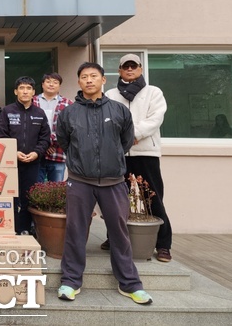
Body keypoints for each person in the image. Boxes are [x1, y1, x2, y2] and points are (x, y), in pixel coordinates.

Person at [56, 62, 153, 305]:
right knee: (75, 231)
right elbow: (64, 141)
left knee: (119, 233)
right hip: (79, 181)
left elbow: (125, 142)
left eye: (94, 76)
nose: (89, 80)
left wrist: (109, 160)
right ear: (78, 82)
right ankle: (70, 281)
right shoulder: (69, 113)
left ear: (103, 80)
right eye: (84, 77)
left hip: (113, 181)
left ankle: (130, 283)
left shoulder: (119, 111)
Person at [105, 53, 173, 263]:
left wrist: (134, 134)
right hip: (119, 153)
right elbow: (107, 120)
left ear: (141, 69)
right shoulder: (111, 94)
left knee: (153, 197)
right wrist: (123, 139)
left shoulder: (153, 92)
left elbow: (156, 118)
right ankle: (113, 238)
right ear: (120, 70)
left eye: (134, 66)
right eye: (126, 66)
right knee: (116, 199)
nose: (130, 69)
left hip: (146, 152)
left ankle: (163, 245)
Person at [0, 76, 50, 235]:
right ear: (15, 91)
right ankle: (11, 227)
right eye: (21, 88)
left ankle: (25, 228)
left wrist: (36, 153)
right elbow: (1, 135)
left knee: (28, 197)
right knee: (10, 197)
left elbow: (45, 137)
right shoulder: (7, 111)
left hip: (32, 162)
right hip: (11, 163)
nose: (25, 91)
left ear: (34, 92)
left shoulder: (39, 113)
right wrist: (13, 152)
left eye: (28, 88)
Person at [32, 73, 73, 182]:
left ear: (59, 86)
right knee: (35, 189)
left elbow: (68, 128)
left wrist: (54, 144)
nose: (51, 85)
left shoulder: (68, 104)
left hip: (58, 152)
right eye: (48, 82)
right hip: (36, 152)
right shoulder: (32, 101)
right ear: (42, 84)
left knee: (56, 189)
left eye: (55, 82)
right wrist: (44, 145)